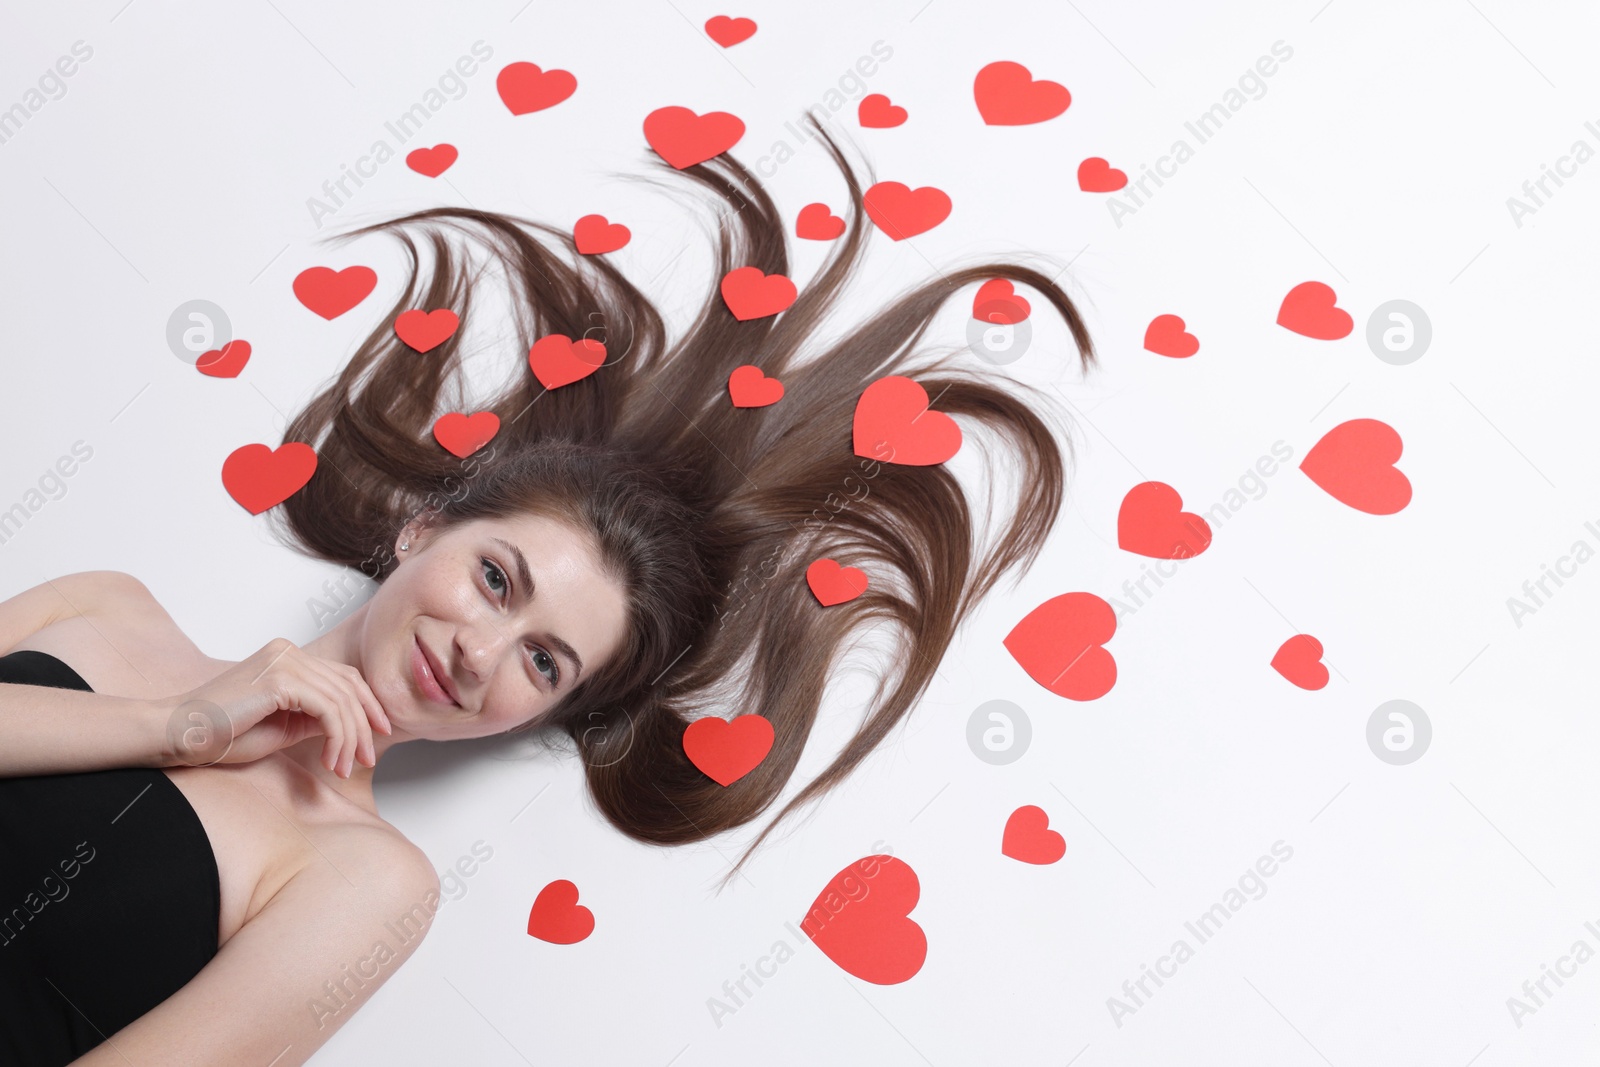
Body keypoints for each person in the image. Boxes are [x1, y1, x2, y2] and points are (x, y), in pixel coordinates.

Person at [0, 114, 1097, 1065]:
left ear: (547, 712)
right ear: (420, 527)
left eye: (543, 659)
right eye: (494, 577)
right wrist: (178, 724)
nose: (481, 646)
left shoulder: (365, 880)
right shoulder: (107, 605)